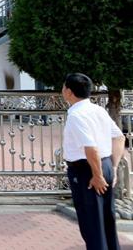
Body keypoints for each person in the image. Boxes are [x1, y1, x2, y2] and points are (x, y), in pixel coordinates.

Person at [62, 73, 124, 250]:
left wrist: (97, 175)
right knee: (106, 221)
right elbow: (119, 138)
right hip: (104, 165)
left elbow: (91, 148)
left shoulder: (77, 115)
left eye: (63, 87)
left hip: (87, 171)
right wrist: (111, 167)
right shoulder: (98, 110)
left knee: (92, 224)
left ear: (69, 91)